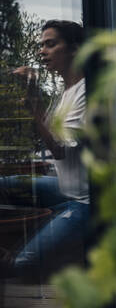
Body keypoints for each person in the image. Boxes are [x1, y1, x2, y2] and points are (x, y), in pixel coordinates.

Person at [2, 20, 89, 277]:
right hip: (63, 188)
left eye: (50, 44)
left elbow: (59, 150)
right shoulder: (66, 91)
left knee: (20, 264)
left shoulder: (86, 92)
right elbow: (49, 134)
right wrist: (32, 90)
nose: (42, 51)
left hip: (85, 201)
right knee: (4, 183)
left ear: (74, 49)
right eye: (41, 45)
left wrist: (37, 112)